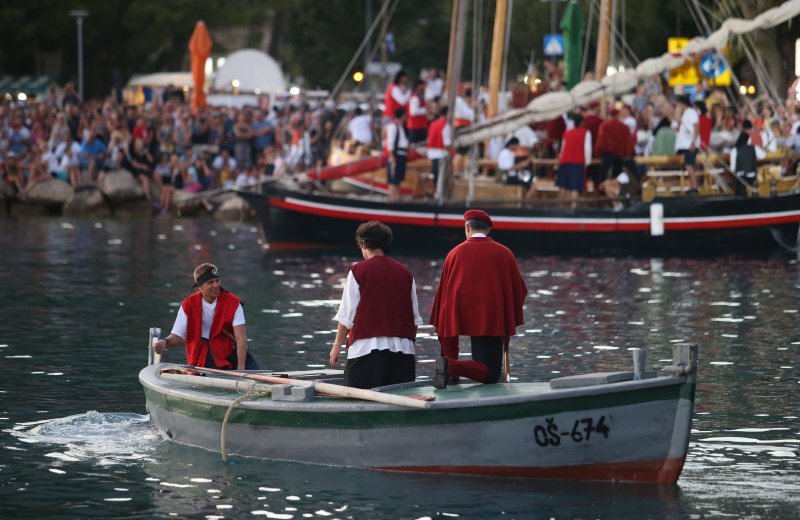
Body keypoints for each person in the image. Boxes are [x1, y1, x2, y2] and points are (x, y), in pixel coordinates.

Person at [429, 210, 528, 389]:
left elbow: (443, 298)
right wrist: (505, 316)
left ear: (467, 227)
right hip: (491, 318)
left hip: (454, 315)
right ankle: (451, 367)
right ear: (489, 229)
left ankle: (450, 370)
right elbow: (519, 291)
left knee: (447, 317)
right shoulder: (504, 253)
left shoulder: (454, 253)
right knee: (491, 373)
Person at [329, 221, 423, 389]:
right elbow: (413, 318)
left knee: (359, 404)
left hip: (366, 352)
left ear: (363, 244)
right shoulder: (406, 274)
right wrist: (411, 349)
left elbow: (347, 315)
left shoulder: (358, 271)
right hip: (403, 353)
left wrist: (337, 345)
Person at [153, 263, 260, 370]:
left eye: (217, 280)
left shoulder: (233, 302)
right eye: (210, 282)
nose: (216, 285)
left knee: (257, 371)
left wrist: (241, 369)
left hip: (229, 354)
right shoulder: (188, 304)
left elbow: (241, 338)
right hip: (202, 357)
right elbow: (176, 337)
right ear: (200, 287)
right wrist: (165, 342)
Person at [555, 113, 592, 208]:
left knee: (562, 186)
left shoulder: (567, 133)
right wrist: (587, 162)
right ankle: (573, 208)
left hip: (564, 161)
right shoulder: (586, 133)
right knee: (575, 187)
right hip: (578, 162)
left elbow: (562, 149)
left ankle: (559, 207)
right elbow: (587, 148)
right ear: (582, 122)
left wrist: (561, 159)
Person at [674, 95, 700, 192]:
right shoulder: (686, 113)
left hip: (690, 143)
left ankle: (695, 186)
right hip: (686, 144)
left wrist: (693, 142)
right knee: (688, 165)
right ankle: (692, 185)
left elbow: (696, 127)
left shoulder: (691, 112)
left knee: (690, 165)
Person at [384, 107, 409, 202]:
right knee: (393, 176)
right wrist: (391, 156)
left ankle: (397, 195)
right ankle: (393, 196)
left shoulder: (400, 126)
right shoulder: (393, 126)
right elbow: (390, 142)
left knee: (398, 177)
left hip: (401, 154)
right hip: (396, 154)